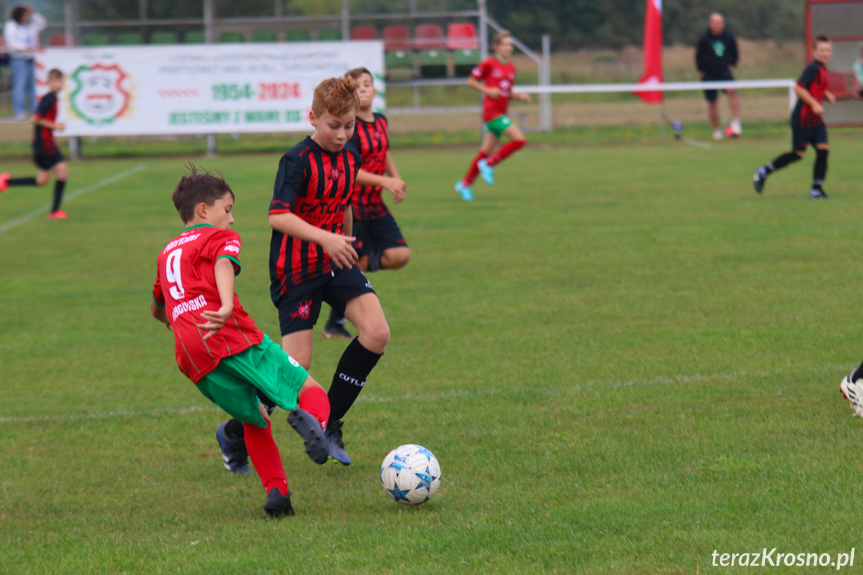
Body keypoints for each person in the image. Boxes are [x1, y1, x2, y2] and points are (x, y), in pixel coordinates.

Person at [213, 76, 389, 471]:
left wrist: (346, 239)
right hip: (295, 269)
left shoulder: (350, 157)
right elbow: (278, 216)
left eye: (350, 125)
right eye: (333, 125)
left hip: (335, 262)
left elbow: (343, 202)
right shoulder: (296, 160)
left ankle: (331, 425)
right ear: (312, 117)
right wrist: (326, 238)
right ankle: (235, 434)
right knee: (296, 366)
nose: (342, 134)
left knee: (377, 332)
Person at [150, 166, 332, 517]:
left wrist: (179, 323)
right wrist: (227, 303)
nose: (231, 219)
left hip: (190, 354)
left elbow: (159, 309)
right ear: (204, 210)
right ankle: (316, 426)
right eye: (227, 209)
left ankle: (277, 495)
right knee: (310, 389)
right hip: (228, 333)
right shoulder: (216, 236)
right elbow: (223, 263)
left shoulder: (166, 253)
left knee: (255, 418)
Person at [321, 67, 408, 341]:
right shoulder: (350, 127)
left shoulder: (381, 121)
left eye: (368, 84)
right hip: (352, 205)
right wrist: (384, 181)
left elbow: (384, 151)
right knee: (353, 263)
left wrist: (395, 178)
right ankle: (334, 322)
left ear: (375, 89)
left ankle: (337, 279)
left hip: (375, 204)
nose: (364, 89)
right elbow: (351, 170)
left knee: (399, 255)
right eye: (357, 86)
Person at [753, 36, 836, 200]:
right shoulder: (813, 68)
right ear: (814, 52)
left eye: (828, 50)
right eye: (822, 50)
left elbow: (814, 87)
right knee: (798, 154)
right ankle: (764, 171)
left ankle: (816, 189)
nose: (825, 53)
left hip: (816, 121)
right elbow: (799, 88)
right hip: (803, 118)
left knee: (823, 149)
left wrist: (825, 94)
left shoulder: (823, 69)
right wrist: (814, 104)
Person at [454, 30, 531, 202]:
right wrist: (487, 90)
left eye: (510, 44)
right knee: (520, 140)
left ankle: (464, 184)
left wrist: (519, 96)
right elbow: (470, 81)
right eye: (504, 44)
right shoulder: (489, 63)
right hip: (491, 113)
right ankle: (489, 164)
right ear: (496, 46)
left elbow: (506, 92)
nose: (508, 48)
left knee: (483, 152)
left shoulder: (511, 68)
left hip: (501, 112)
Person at [0, 68, 69, 219]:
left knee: (43, 180)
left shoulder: (54, 98)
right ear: (49, 82)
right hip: (43, 145)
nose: (59, 84)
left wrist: (54, 127)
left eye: (61, 81)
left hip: (48, 144)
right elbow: (35, 118)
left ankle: (6, 182)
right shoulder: (48, 99)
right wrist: (56, 126)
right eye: (56, 81)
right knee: (60, 173)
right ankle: (54, 212)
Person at [695, 13, 741, 140]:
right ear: (710, 24)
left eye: (720, 22)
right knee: (712, 101)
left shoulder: (729, 37)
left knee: (732, 92)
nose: (718, 25)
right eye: (715, 22)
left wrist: (731, 64)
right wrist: (701, 70)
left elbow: (735, 53)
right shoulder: (704, 38)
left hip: (724, 72)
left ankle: (736, 123)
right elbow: (698, 56)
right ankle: (716, 130)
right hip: (709, 74)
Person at [3, 5, 45, 119]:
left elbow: (42, 23)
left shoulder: (29, 26)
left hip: (31, 59)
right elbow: (11, 44)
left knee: (33, 87)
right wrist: (25, 48)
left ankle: (34, 111)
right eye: (25, 15)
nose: (27, 17)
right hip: (18, 59)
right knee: (19, 86)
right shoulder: (11, 26)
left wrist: (33, 13)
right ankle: (20, 112)